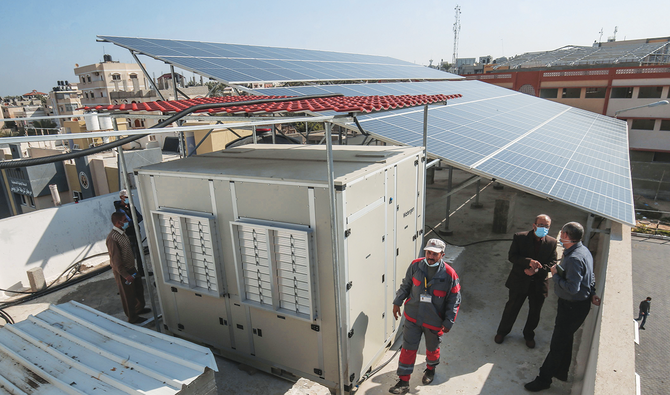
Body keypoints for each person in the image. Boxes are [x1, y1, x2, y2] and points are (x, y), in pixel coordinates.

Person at [525, 222, 601, 392]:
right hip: (577, 304)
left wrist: (555, 275)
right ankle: (561, 371)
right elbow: (590, 274)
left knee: (557, 344)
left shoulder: (574, 258)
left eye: (562, 233)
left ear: (566, 236)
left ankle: (543, 379)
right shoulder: (583, 251)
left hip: (572, 307)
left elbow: (572, 288)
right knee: (565, 339)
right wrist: (593, 291)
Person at [389, 239, 461, 394]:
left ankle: (430, 369)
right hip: (413, 316)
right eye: (428, 252)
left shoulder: (449, 274)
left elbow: (454, 299)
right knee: (408, 349)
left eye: (435, 254)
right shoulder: (416, 265)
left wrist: (449, 321)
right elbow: (406, 284)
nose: (431, 256)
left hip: (434, 320)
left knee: (432, 348)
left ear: (442, 255)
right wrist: (397, 301)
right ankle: (403, 381)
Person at [495, 214, 557, 349]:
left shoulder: (551, 242)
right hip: (519, 281)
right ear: (534, 225)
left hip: (538, 283)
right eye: (541, 225)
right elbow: (512, 256)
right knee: (512, 308)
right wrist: (528, 262)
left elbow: (552, 263)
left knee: (535, 312)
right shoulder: (520, 237)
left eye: (546, 226)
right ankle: (502, 332)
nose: (544, 228)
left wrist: (535, 271)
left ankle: (529, 335)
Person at [106, 212, 150, 324]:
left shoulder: (122, 233)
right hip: (123, 271)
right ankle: (132, 317)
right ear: (118, 223)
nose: (127, 222)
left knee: (138, 290)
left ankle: (138, 309)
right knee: (128, 296)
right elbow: (116, 260)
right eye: (125, 220)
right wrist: (125, 275)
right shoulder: (113, 238)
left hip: (131, 267)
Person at [114, 189, 144, 275]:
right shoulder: (120, 210)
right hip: (129, 234)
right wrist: (133, 221)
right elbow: (129, 222)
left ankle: (141, 271)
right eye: (126, 197)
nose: (128, 199)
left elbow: (140, 217)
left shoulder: (131, 207)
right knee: (129, 255)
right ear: (121, 197)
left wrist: (133, 221)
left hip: (136, 232)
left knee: (139, 253)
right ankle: (131, 272)